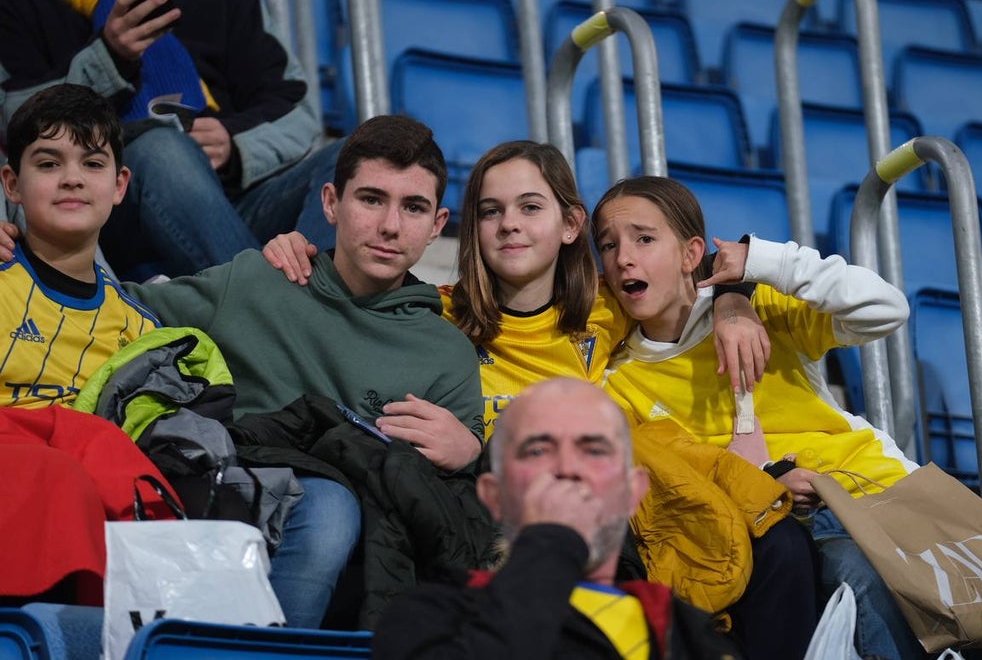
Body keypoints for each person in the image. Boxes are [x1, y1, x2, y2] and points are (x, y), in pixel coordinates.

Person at [591, 176, 982, 660]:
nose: (624, 258)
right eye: (609, 245)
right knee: (856, 575)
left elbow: (886, 308)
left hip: (883, 492)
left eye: (644, 239)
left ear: (690, 253)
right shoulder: (619, 381)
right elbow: (681, 479)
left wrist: (760, 264)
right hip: (799, 518)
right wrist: (765, 482)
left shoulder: (761, 307)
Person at [114, 114, 480, 629]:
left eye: (413, 207)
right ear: (331, 203)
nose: (390, 226)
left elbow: (454, 517)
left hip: (369, 565)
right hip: (227, 504)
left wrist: (472, 454)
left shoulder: (449, 354)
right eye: (371, 199)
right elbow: (114, 309)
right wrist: (18, 252)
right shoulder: (258, 281)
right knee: (329, 508)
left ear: (438, 225)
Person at [265, 140, 770, 440]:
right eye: (491, 211)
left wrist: (732, 305)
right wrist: (304, 253)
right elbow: (356, 298)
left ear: (570, 224)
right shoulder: (438, 311)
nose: (509, 224)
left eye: (530, 207)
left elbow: (707, 262)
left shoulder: (608, 301)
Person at [0, 0, 333, 280]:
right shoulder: (10, 0)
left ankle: (311, 300)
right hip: (103, 220)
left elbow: (297, 109)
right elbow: (17, 121)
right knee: (161, 149)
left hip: (231, 207)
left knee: (353, 159)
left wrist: (235, 146)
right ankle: (269, 304)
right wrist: (109, 57)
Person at [371, 377, 745, 659]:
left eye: (594, 450)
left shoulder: (687, 635)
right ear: (494, 495)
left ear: (631, 492)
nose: (567, 468)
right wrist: (552, 541)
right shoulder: (428, 617)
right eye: (538, 450)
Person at [0, 83, 177, 605]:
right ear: (12, 183)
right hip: (23, 485)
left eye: (93, 163)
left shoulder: (141, 330)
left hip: (93, 506)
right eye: (48, 163)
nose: (72, 178)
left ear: (120, 185)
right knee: (60, 473)